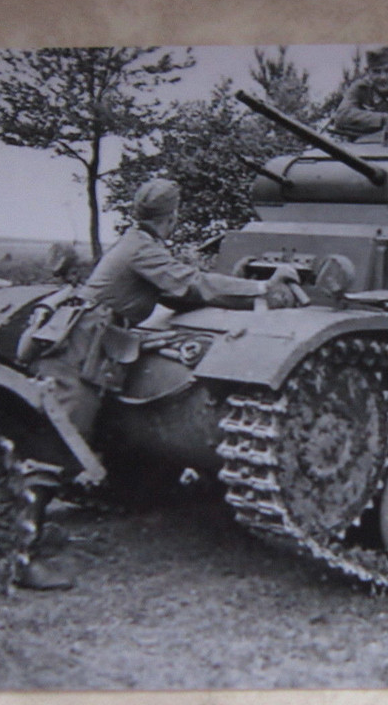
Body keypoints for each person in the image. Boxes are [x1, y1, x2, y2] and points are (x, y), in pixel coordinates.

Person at [17, 178, 301, 589]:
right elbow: (191, 284)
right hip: (80, 344)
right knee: (60, 440)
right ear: (172, 217)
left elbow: (179, 294)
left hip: (87, 339)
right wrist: (262, 287)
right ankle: (21, 554)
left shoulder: (136, 243)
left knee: (64, 435)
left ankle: (24, 534)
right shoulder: (143, 249)